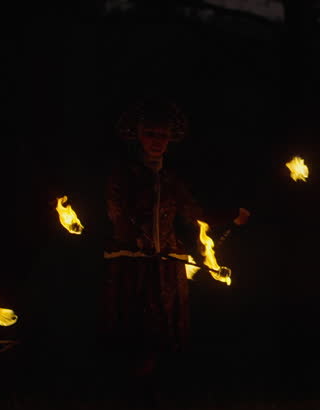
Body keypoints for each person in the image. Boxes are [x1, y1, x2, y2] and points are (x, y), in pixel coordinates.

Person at [103, 98, 246, 381]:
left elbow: (194, 214)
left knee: (160, 327)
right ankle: (128, 387)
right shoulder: (123, 175)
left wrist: (232, 216)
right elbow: (118, 214)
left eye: (162, 136)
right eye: (150, 134)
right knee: (133, 325)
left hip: (166, 263)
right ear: (138, 136)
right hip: (133, 261)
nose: (157, 141)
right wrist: (142, 242)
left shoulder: (171, 181)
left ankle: (153, 386)